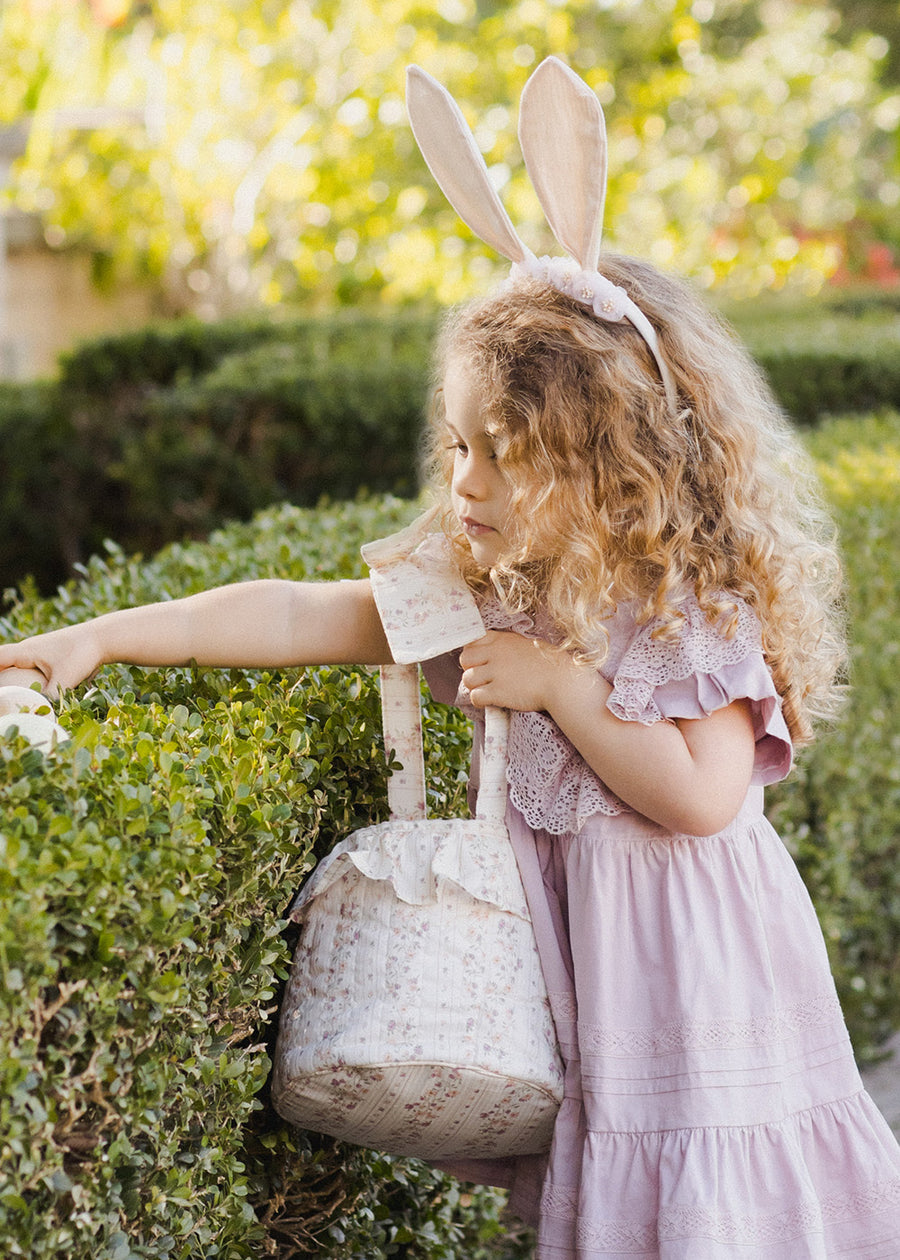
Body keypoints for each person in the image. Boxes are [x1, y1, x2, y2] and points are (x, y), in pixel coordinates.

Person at [3, 55, 900, 1258]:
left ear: (605, 464)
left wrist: (563, 691)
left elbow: (702, 796)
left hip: (713, 992)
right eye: (459, 442)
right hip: (613, 1015)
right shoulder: (491, 598)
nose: (463, 480)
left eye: (503, 453)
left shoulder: (686, 601)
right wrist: (101, 637)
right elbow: (298, 617)